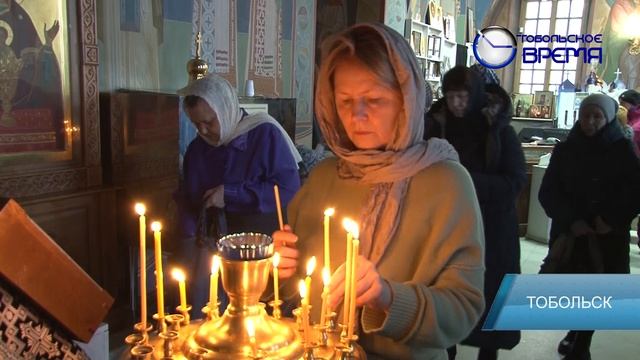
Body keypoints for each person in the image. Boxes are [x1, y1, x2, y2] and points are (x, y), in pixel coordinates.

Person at [273, 23, 485, 359]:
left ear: (406, 100)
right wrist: (281, 270)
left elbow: (463, 310)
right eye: (344, 101)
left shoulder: (446, 183)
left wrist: (386, 296)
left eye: (374, 99)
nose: (357, 116)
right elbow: (296, 290)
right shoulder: (325, 176)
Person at [174, 73, 302, 314]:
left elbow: (288, 189)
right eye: (196, 124)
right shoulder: (197, 150)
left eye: (209, 122)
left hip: (262, 248)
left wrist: (231, 194)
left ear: (225, 109)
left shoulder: (264, 134)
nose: (203, 130)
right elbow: (189, 200)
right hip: (216, 252)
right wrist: (186, 241)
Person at [425, 65, 526, 360]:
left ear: (476, 95)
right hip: (446, 224)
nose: (456, 103)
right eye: (451, 96)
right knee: (445, 294)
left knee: (491, 297)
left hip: (491, 228)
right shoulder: (437, 125)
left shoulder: (498, 130)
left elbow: (515, 181)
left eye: (463, 96)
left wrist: (463, 181)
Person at [539, 93, 640, 360]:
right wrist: (572, 221)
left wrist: (611, 219)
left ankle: (582, 343)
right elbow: (548, 192)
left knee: (598, 289)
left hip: (606, 235)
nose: (590, 122)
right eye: (586, 115)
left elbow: (635, 192)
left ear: (607, 119)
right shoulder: (565, 149)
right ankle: (575, 330)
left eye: (597, 116)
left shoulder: (622, 150)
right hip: (572, 234)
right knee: (572, 289)